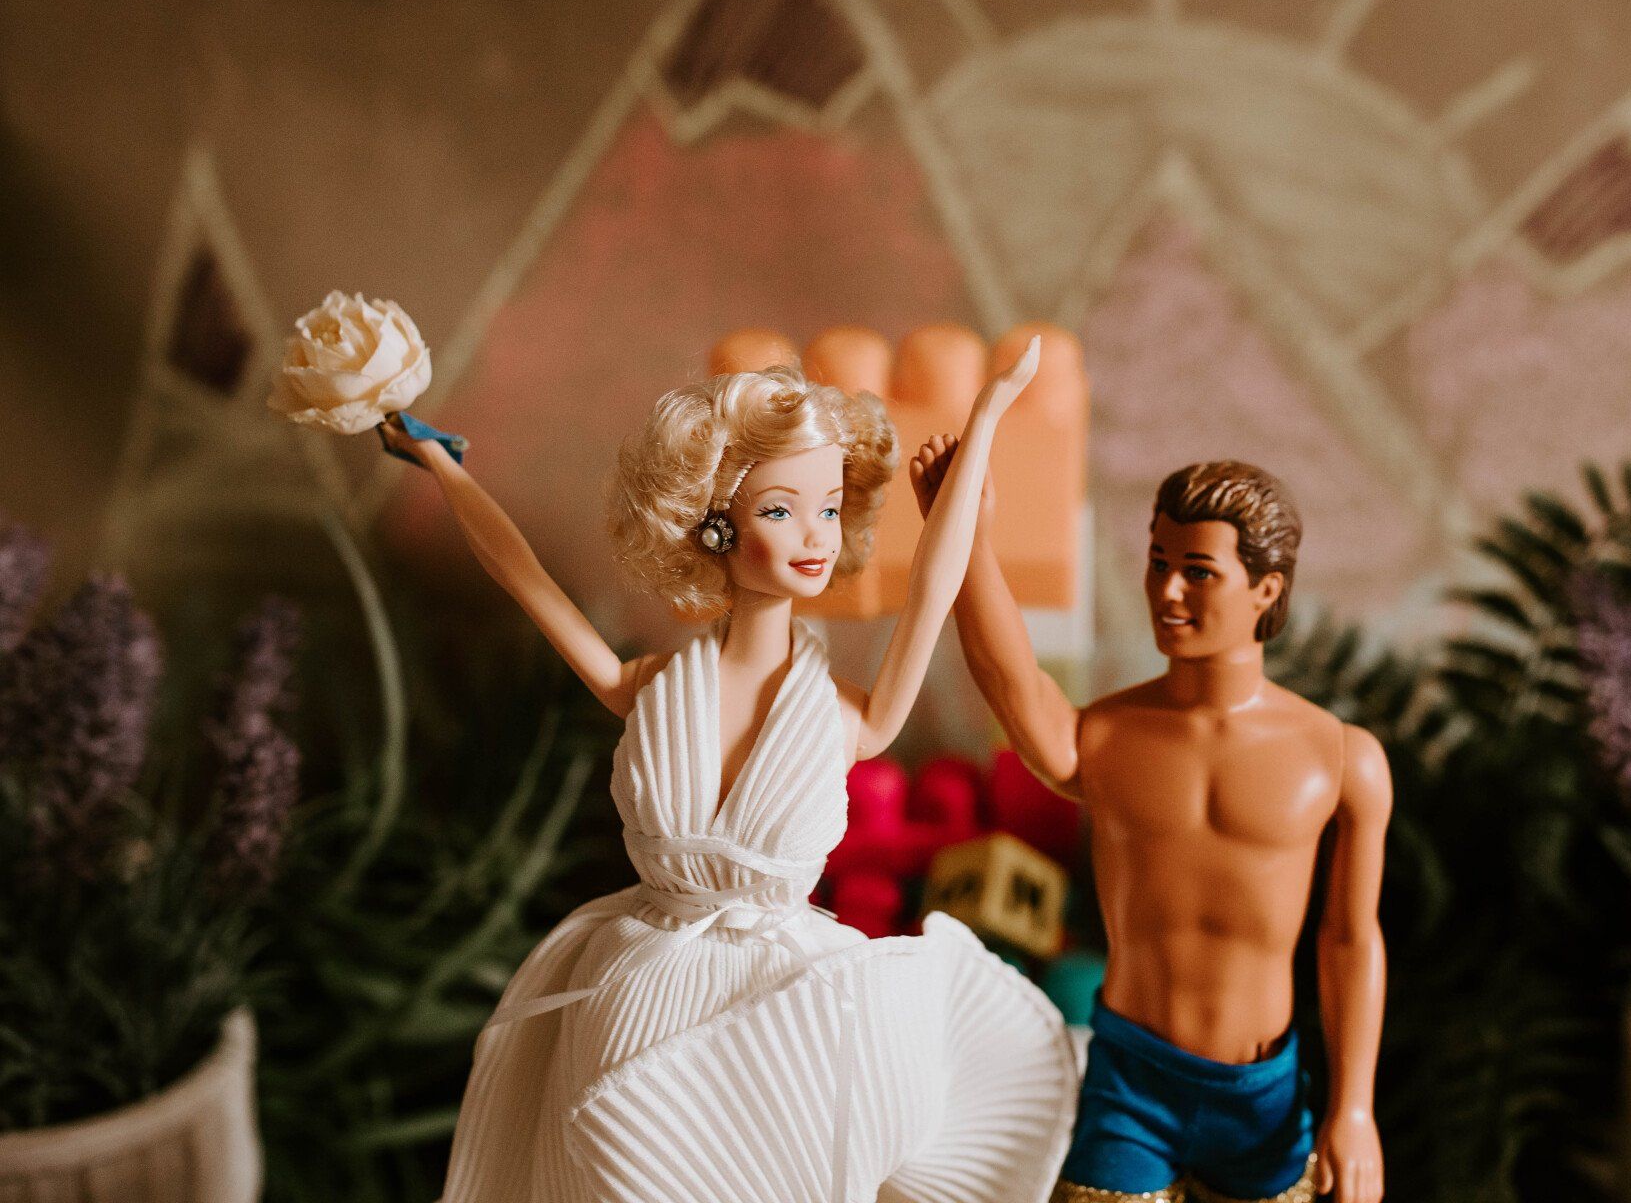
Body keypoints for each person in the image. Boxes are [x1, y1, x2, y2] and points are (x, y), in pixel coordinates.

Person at [380, 342, 1076, 1203]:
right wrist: (447, 472)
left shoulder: (847, 715)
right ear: (716, 522)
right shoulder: (648, 687)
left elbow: (931, 588)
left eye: (829, 509)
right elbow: (527, 579)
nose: (816, 537)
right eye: (783, 511)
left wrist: (988, 417)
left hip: (786, 1008)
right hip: (642, 992)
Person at [909, 446, 1390, 1203]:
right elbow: (1012, 682)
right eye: (1157, 561)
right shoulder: (1106, 738)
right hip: (1131, 1085)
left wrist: (1353, 1107)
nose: (1166, 591)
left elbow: (1350, 939)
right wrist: (966, 534)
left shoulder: (1340, 759)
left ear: (1266, 589)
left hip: (1263, 1097)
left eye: (1198, 570)